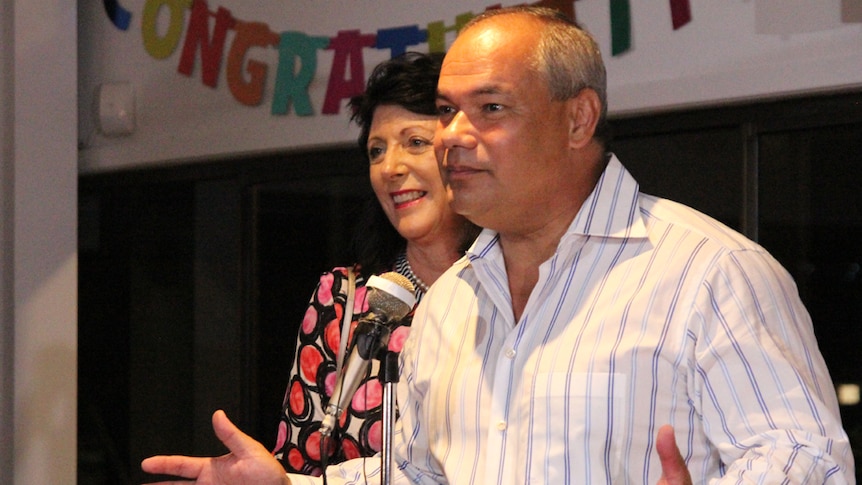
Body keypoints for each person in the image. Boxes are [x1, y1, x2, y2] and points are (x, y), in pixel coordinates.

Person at [142, 6, 855, 484]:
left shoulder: (709, 275)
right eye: (449, 111)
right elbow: (418, 473)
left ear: (578, 119)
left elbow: (809, 460)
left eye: (491, 109)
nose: (454, 136)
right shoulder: (449, 303)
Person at [273, 51, 479, 475]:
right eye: (376, 151)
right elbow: (298, 467)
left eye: (415, 143)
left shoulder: (513, 289)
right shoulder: (344, 300)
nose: (390, 168)